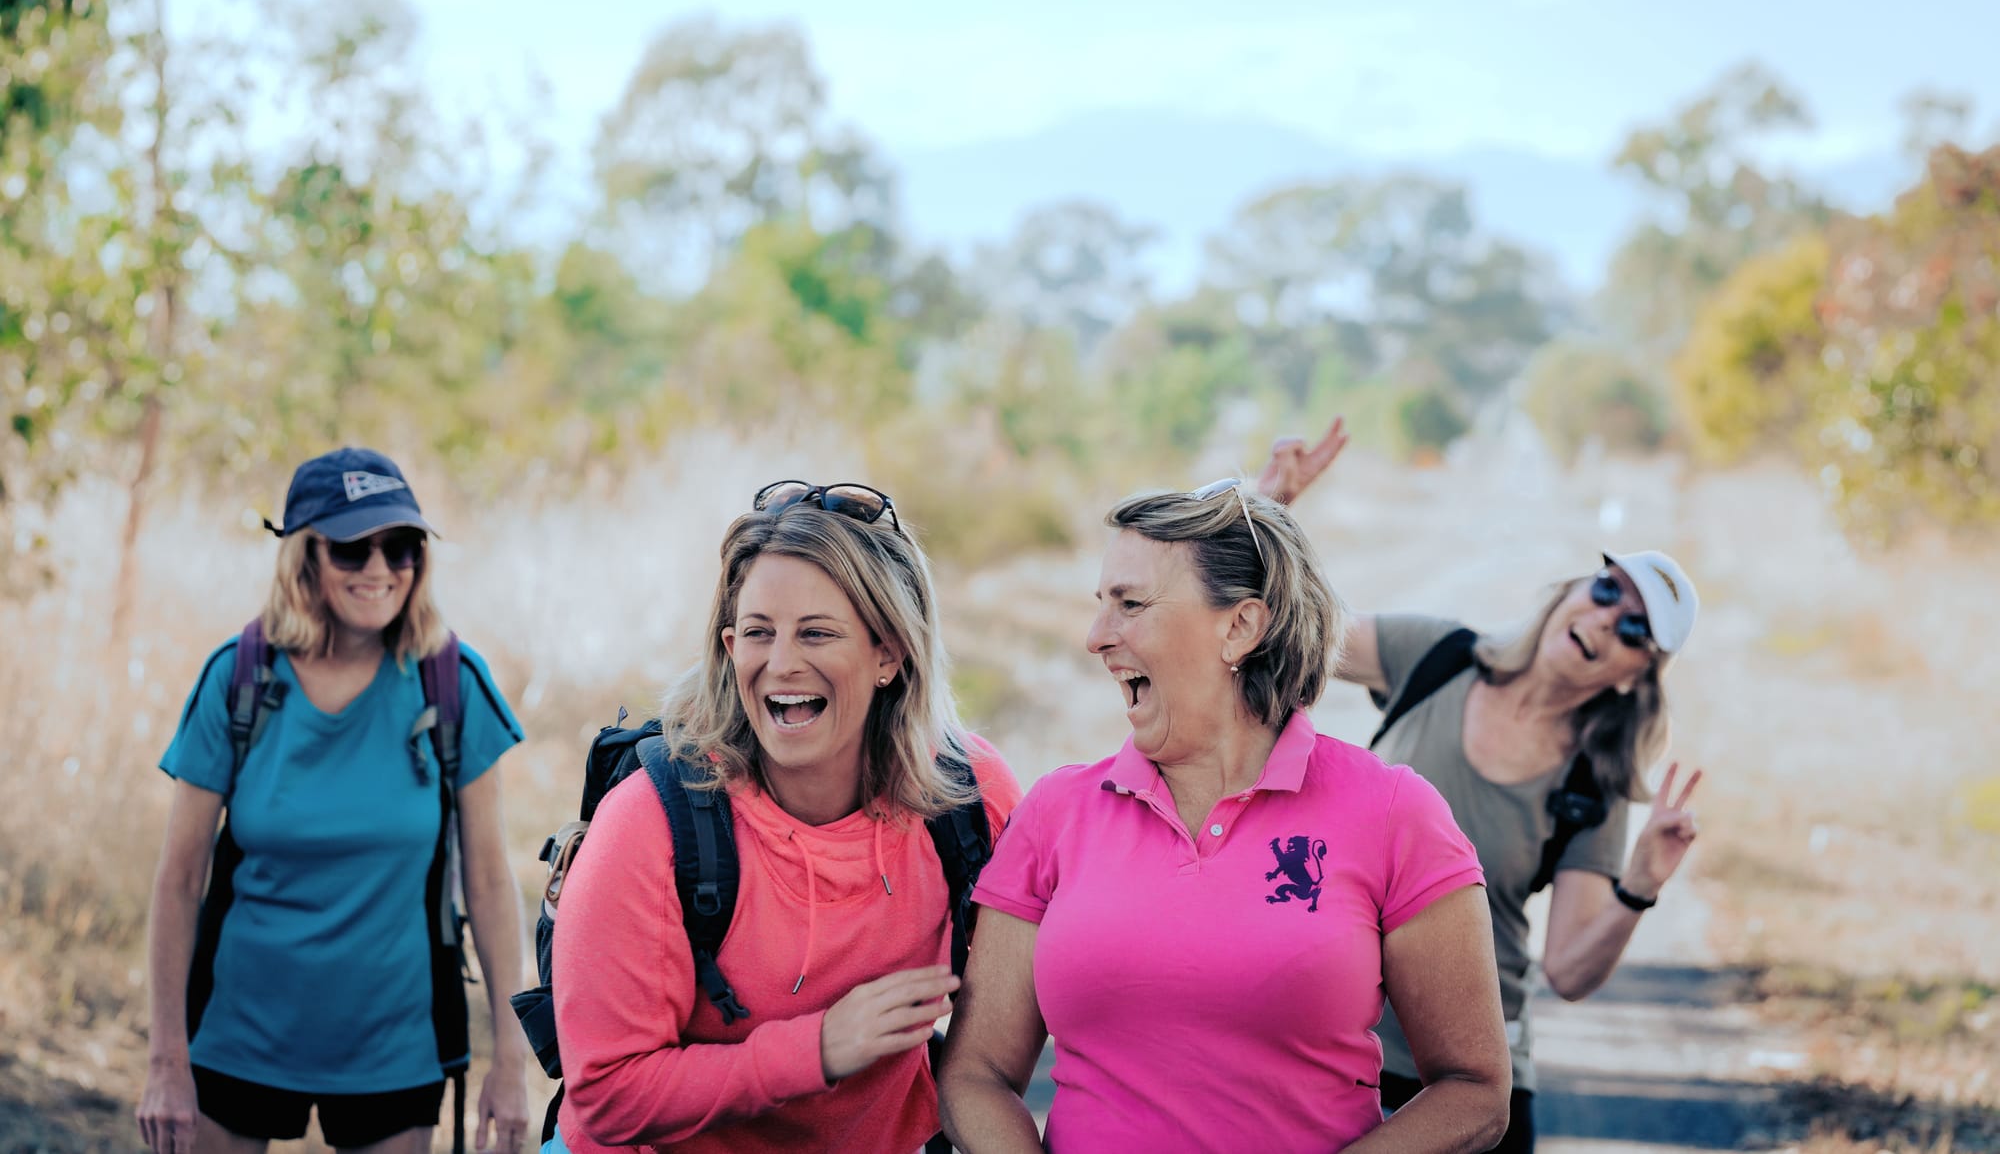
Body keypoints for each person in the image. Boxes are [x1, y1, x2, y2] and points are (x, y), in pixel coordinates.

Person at [938, 479, 1512, 1154]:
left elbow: (1474, 1089)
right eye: (1102, 605)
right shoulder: (1057, 811)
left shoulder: (1393, 810)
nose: (1097, 636)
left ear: (1240, 626)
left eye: (1130, 604)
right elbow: (975, 1074)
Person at [1259, 420, 1706, 1154]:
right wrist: (1272, 508)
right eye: (1604, 589)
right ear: (1572, 590)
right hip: (1332, 1051)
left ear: (1634, 676)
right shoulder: (1435, 655)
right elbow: (1286, 627)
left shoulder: (1588, 786)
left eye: (1633, 630)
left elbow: (1567, 968)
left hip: (1466, 1085)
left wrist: (1640, 884)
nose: (1604, 618)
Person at [546, 479, 1024, 1154]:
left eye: (817, 633)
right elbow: (605, 1095)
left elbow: (1008, 1031)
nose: (781, 663)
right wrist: (818, 1047)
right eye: (760, 633)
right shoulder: (656, 819)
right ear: (730, 644)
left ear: (889, 652)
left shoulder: (969, 794)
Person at [139, 447, 532, 1154]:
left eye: (402, 545)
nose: (381, 569)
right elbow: (176, 882)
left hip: (395, 1042)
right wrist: (167, 1058)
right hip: (238, 1033)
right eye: (353, 548)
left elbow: (492, 882)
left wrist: (511, 1055)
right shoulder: (238, 679)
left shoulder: (451, 682)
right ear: (305, 556)